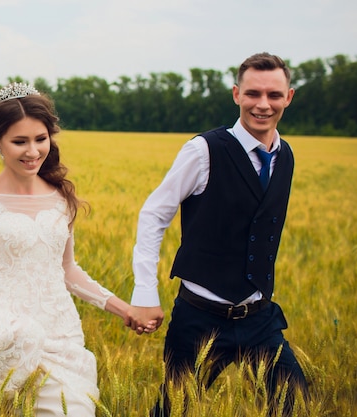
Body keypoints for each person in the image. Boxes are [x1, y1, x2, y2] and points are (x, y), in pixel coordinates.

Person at [0, 82, 153, 416]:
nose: (33, 151)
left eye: (40, 139)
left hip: (62, 336)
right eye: (19, 141)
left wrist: (125, 310)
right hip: (4, 341)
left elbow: (67, 271)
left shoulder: (60, 198)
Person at [128, 53, 309, 415]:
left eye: (273, 95)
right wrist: (144, 292)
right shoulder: (203, 151)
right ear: (236, 94)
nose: (263, 104)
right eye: (253, 93)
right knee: (173, 410)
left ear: (288, 97)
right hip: (200, 317)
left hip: (259, 316)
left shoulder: (285, 155)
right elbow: (154, 213)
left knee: (297, 405)